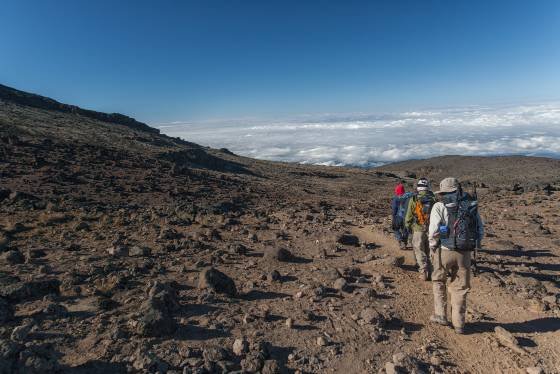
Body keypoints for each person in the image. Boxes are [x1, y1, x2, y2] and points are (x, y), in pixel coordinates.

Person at [428, 177, 483, 334]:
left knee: (438, 280)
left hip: (444, 250)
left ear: (443, 191)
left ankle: (441, 315)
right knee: (460, 287)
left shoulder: (439, 205)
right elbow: (480, 228)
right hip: (465, 253)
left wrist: (432, 246)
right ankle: (459, 323)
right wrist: (475, 245)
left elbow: (433, 230)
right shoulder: (470, 205)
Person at [405, 178, 436, 281]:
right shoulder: (434, 198)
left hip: (418, 229)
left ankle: (423, 272)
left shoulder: (414, 199)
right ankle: (432, 272)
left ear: (418, 187)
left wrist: (408, 226)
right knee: (430, 250)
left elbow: (409, 216)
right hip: (431, 229)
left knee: (419, 250)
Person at [391, 182, 413, 249]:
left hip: (398, 216)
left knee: (395, 228)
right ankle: (405, 243)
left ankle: (400, 239)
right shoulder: (409, 197)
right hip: (407, 216)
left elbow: (394, 208)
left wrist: (393, 216)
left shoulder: (396, 198)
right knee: (405, 230)